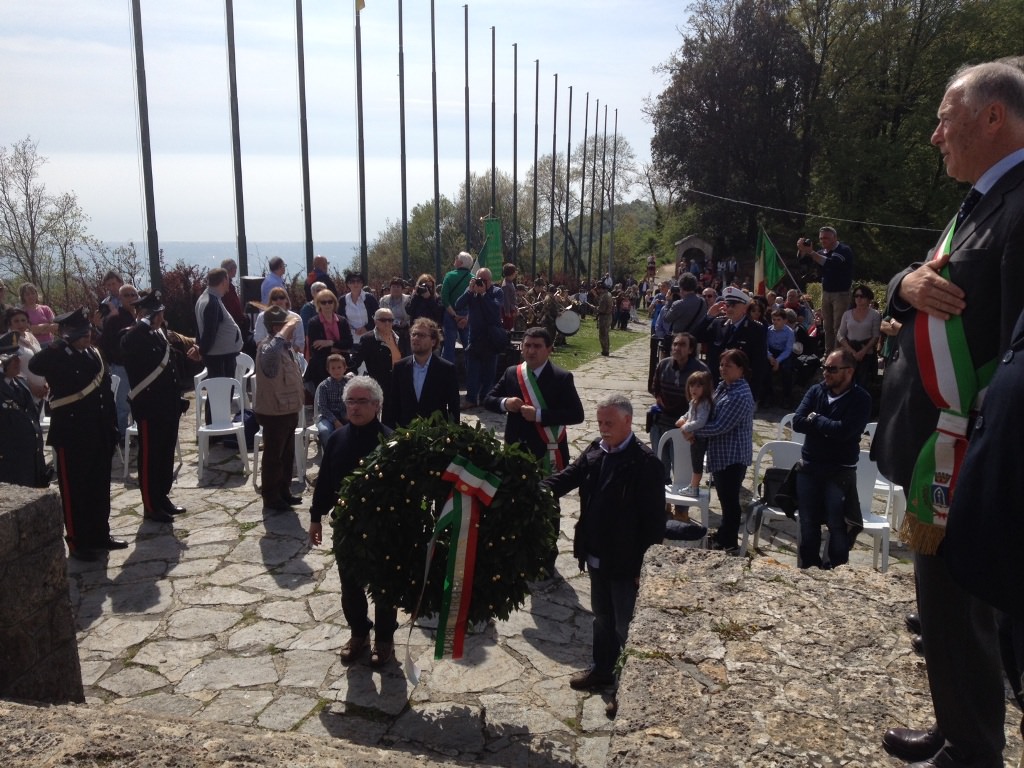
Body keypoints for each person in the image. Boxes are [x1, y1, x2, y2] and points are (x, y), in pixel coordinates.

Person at [873, 60, 1024, 768]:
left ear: (994, 117)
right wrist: (905, 282)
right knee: (941, 598)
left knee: (966, 601)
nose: (935, 136)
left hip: (977, 450)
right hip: (940, 446)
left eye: (945, 117)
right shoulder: (980, 198)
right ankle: (958, 723)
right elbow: (928, 277)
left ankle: (975, 751)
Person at [542, 394, 665, 705]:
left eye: (609, 423)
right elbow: (568, 477)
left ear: (628, 421)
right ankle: (602, 670)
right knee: (602, 619)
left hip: (625, 563)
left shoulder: (645, 463)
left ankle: (626, 689)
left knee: (626, 626)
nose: (603, 428)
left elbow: (653, 523)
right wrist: (535, 488)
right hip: (596, 554)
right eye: (600, 422)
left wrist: (644, 568)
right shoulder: (597, 449)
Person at [308, 376, 397, 668]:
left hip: (382, 529)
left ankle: (384, 639)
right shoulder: (336, 438)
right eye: (351, 401)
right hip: (346, 526)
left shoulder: (391, 441)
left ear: (377, 405)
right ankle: (359, 632)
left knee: (384, 585)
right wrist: (315, 518)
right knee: (350, 585)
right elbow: (324, 482)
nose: (355, 408)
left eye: (362, 401)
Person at [29, 308, 125, 562]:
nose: (87, 338)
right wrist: (59, 342)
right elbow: (34, 365)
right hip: (72, 434)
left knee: (99, 488)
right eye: (81, 334)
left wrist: (112, 427)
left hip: (98, 431)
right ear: (68, 335)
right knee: (76, 491)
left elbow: (104, 394)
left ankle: (100, 534)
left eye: (89, 332)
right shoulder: (59, 355)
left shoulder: (94, 354)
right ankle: (78, 542)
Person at [791, 350, 871, 569]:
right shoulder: (816, 391)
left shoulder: (861, 399)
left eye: (832, 369)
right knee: (808, 522)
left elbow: (845, 431)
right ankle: (809, 568)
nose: (825, 372)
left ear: (849, 372)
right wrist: (828, 426)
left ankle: (836, 569)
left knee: (837, 524)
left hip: (839, 471)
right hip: (809, 467)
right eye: (824, 367)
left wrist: (816, 419)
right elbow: (797, 421)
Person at [121, 291, 188, 524]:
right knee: (151, 456)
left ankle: (162, 496)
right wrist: (144, 320)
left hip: (168, 405)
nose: (161, 317)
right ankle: (151, 504)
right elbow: (126, 346)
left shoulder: (159, 334)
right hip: (149, 407)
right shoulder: (134, 335)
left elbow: (169, 367)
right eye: (157, 314)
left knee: (165, 453)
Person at [485, 326, 584, 474]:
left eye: (537, 346)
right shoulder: (512, 373)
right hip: (515, 448)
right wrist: (506, 403)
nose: (531, 351)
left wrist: (538, 415)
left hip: (546, 450)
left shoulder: (562, 377)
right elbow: (488, 400)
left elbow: (577, 415)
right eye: (527, 345)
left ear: (549, 349)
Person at [686, 348, 755, 554]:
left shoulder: (740, 395)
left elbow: (719, 426)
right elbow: (705, 407)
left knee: (729, 501)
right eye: (722, 364)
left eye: (729, 366)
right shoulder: (725, 387)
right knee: (726, 498)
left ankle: (729, 541)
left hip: (732, 455)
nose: (723, 369)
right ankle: (724, 534)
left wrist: (692, 432)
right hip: (722, 453)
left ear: (741, 369)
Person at [253, 306, 305, 512]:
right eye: (287, 325)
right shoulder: (268, 347)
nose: (292, 329)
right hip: (274, 410)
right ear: (277, 328)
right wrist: (285, 330)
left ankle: (284, 491)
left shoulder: (286, 348)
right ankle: (271, 496)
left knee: (287, 454)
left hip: (288, 409)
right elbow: (271, 354)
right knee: (274, 456)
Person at [650, 332, 709, 481]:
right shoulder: (663, 364)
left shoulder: (701, 371)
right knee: (660, 469)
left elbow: (705, 400)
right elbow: (655, 387)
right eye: (675, 344)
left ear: (690, 350)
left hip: (685, 429)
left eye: (682, 345)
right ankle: (664, 503)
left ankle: (681, 504)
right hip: (661, 424)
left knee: (682, 472)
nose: (677, 347)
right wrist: (659, 399)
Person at [697, 286, 767, 401]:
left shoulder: (755, 329)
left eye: (733, 305)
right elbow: (697, 336)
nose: (729, 309)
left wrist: (752, 395)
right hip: (715, 386)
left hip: (739, 390)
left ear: (745, 308)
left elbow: (758, 365)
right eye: (728, 305)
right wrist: (709, 316)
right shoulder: (718, 323)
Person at [393, 318, 460, 427]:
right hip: (405, 434)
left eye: (421, 335)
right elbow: (393, 404)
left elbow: (454, 407)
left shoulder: (446, 369)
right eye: (413, 334)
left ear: (433, 341)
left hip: (435, 434)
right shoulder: (400, 368)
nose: (416, 338)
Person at [796, 227, 854, 352]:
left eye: (826, 238)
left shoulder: (843, 250)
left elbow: (831, 263)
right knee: (827, 326)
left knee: (838, 327)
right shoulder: (821, 252)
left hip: (841, 294)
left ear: (835, 238)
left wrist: (811, 252)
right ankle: (828, 354)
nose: (823, 241)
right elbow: (803, 261)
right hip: (826, 292)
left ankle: (838, 354)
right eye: (821, 238)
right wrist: (802, 250)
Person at [0, 332, 47, 488]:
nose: (18, 362)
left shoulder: (20, 383)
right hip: (9, 465)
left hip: (30, 461)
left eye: (18, 358)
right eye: (13, 359)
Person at [454, 267, 505, 409]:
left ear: (490, 280)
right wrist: (470, 291)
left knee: (489, 372)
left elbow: (495, 310)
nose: (481, 282)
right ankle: (471, 398)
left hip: (491, 338)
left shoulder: (497, 292)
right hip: (475, 338)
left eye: (484, 280)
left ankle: (485, 398)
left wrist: (483, 295)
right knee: (472, 370)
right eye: (478, 279)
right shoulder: (472, 291)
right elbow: (458, 304)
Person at [348, 307, 402, 427]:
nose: (387, 323)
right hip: (379, 383)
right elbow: (356, 359)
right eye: (383, 320)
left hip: (399, 381)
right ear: (376, 321)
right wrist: (350, 373)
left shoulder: (399, 337)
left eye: (390, 320)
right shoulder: (368, 339)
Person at [99, 283, 140, 439]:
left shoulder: (141, 317)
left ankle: (136, 431)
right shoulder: (114, 318)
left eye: (133, 295)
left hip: (138, 368)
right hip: (121, 367)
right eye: (126, 295)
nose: (130, 298)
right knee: (122, 405)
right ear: (120, 298)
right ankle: (122, 435)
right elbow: (105, 344)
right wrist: (115, 361)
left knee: (137, 402)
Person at [195, 267, 243, 380]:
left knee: (217, 394)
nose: (229, 284)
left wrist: (199, 348)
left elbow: (200, 327)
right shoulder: (211, 302)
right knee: (222, 394)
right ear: (224, 281)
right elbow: (210, 332)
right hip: (220, 358)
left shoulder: (205, 298)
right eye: (228, 280)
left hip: (220, 355)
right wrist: (201, 351)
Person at [303, 289, 353, 396]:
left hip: (343, 366)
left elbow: (349, 343)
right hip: (322, 368)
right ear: (318, 304)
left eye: (330, 301)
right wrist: (339, 346)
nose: (327, 305)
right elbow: (315, 349)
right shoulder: (313, 323)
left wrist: (330, 343)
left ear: (334, 303)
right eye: (323, 302)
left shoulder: (342, 321)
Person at [674, 369, 713, 496]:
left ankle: (694, 487)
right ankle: (692, 485)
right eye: (691, 385)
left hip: (699, 439)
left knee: (697, 463)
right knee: (692, 462)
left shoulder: (705, 404)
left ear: (705, 388)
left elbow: (700, 422)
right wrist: (682, 419)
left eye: (698, 386)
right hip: (693, 436)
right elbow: (688, 414)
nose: (693, 389)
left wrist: (685, 427)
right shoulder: (693, 401)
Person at [837, 284, 882, 387]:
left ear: (868, 298)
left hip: (867, 352)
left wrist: (863, 352)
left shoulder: (875, 315)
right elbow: (840, 334)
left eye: (862, 296)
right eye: (856, 296)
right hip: (849, 351)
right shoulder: (847, 314)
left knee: (864, 383)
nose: (858, 299)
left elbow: (876, 336)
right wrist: (852, 351)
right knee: (846, 382)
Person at [6, 307, 47, 403]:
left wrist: (46, 383)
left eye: (23, 320)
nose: (20, 324)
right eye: (16, 321)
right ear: (9, 323)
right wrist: (31, 386)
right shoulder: (6, 342)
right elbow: (8, 370)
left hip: (42, 393)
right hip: (22, 392)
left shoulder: (30, 336)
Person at [439, 251, 474, 363]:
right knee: (469, 347)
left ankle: (448, 375)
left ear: (460, 262)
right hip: (467, 316)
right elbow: (475, 302)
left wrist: (454, 316)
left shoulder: (449, 276)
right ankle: (470, 374)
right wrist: (466, 318)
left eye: (456, 258)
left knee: (449, 347)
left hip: (450, 314)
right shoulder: (473, 279)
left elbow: (444, 298)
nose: (455, 260)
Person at [313, 354, 351, 447]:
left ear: (345, 368)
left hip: (346, 415)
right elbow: (322, 407)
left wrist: (349, 413)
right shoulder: (324, 386)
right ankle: (330, 456)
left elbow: (353, 400)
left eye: (339, 367)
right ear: (328, 369)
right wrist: (335, 421)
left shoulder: (349, 383)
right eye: (333, 368)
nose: (336, 371)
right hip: (327, 417)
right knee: (325, 431)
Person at [253, 287, 305, 355]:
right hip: (268, 356)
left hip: (291, 357)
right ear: (271, 301)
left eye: (281, 297)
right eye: (274, 298)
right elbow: (259, 340)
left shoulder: (296, 318)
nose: (278, 300)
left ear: (286, 299)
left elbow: (299, 342)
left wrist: (286, 356)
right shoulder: (262, 317)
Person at [764, 308, 796, 407]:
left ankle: (787, 397)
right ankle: (768, 395)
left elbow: (788, 349)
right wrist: (770, 357)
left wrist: (777, 361)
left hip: (783, 353)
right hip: (771, 353)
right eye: (774, 319)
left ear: (785, 321)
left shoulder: (790, 332)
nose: (775, 322)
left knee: (787, 369)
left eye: (778, 320)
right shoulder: (768, 330)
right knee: (764, 368)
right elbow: (765, 346)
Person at [341, 272, 379, 342]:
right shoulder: (342, 300)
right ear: (348, 284)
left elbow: (378, 317)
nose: (356, 284)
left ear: (362, 284)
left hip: (369, 337)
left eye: (358, 281)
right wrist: (347, 327)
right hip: (350, 339)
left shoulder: (369, 298)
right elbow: (340, 318)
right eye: (352, 281)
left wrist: (367, 328)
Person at [379, 277, 412, 356]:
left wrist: (406, 323)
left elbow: (412, 316)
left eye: (398, 287)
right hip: (388, 328)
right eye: (393, 287)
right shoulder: (383, 300)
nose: (396, 289)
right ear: (390, 288)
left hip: (405, 330)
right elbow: (380, 315)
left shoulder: (408, 299)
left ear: (402, 289)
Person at [18, 282, 57, 347]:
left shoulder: (45, 309)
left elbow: (55, 326)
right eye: (27, 294)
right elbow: (28, 331)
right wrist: (47, 325)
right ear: (23, 297)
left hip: (50, 343)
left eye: (33, 293)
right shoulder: (21, 312)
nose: (31, 296)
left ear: (36, 294)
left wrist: (37, 329)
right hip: (32, 346)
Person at [219, 258, 250, 339]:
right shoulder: (228, 287)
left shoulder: (221, 284)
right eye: (235, 269)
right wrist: (242, 318)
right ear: (232, 269)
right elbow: (233, 305)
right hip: (233, 321)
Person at [594, 282, 614, 356]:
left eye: (599, 289)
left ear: (601, 289)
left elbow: (601, 309)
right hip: (609, 316)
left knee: (602, 334)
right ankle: (606, 349)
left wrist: (595, 308)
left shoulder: (604, 296)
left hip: (604, 317)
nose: (598, 291)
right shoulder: (609, 294)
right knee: (606, 334)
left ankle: (605, 351)